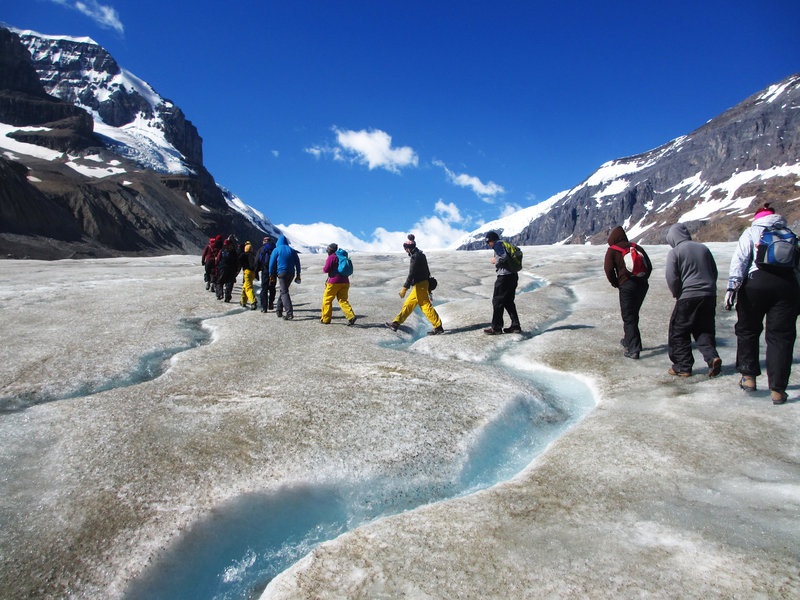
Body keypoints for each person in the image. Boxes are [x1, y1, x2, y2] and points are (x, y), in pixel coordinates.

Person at [726, 203, 800, 404]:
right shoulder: (788, 233)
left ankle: (748, 377)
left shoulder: (752, 232)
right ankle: (778, 389)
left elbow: (741, 259)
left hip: (755, 284)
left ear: (758, 217)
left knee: (748, 330)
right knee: (781, 337)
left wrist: (732, 288)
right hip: (787, 287)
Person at [665, 223, 722, 377]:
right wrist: (709, 288)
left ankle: (683, 366)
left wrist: (677, 293)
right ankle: (712, 358)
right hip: (709, 295)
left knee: (679, 331)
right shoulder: (703, 248)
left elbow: (672, 277)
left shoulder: (676, 252)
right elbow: (713, 271)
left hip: (688, 296)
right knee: (704, 329)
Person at [604, 226, 652, 359]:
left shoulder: (613, 250)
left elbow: (608, 269)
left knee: (628, 316)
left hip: (627, 285)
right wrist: (643, 279)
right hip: (642, 284)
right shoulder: (636, 247)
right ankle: (629, 340)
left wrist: (617, 283)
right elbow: (649, 265)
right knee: (633, 314)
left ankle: (634, 349)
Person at [385, 234, 444, 335]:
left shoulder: (415, 257)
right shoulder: (420, 254)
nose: (405, 250)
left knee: (425, 305)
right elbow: (426, 270)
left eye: (405, 248)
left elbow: (411, 274)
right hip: (421, 284)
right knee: (408, 304)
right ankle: (396, 324)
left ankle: (438, 326)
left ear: (408, 248)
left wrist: (405, 287)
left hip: (420, 285)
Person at [483, 231, 522, 334]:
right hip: (513, 276)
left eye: (488, 242)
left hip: (504, 277)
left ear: (491, 240)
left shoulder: (498, 244)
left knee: (497, 301)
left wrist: (494, 261)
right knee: (509, 302)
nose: (488, 244)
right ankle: (515, 326)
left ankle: (496, 328)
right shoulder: (505, 243)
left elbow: (503, 257)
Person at [320, 243, 357, 325]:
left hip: (334, 282)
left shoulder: (332, 257)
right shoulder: (342, 257)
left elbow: (326, 269)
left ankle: (326, 319)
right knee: (343, 300)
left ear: (330, 250)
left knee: (327, 300)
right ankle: (351, 316)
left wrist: (325, 269)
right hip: (345, 282)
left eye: (328, 249)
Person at [269, 235, 302, 320]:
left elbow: (272, 263)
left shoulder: (276, 250)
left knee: (284, 292)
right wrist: (298, 274)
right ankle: (279, 310)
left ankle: (289, 313)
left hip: (281, 273)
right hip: (291, 273)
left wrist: (271, 274)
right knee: (284, 291)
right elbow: (297, 263)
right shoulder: (292, 250)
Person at [255, 236, 277, 312]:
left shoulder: (261, 250)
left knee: (264, 289)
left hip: (265, 271)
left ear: (264, 241)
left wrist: (256, 271)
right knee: (272, 288)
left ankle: (264, 307)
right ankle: (271, 303)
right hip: (273, 272)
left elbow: (257, 261)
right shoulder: (274, 249)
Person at [216, 237, 239, 302]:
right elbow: (237, 262)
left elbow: (218, 259)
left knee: (220, 282)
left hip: (222, 268)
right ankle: (227, 297)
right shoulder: (234, 252)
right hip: (232, 269)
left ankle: (220, 294)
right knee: (229, 283)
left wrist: (218, 266)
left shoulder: (222, 251)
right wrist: (237, 270)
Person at [239, 241, 258, 310]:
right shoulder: (254, 255)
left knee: (248, 288)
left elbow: (238, 261)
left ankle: (253, 302)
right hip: (253, 273)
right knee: (245, 286)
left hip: (247, 272)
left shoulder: (244, 255)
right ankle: (243, 301)